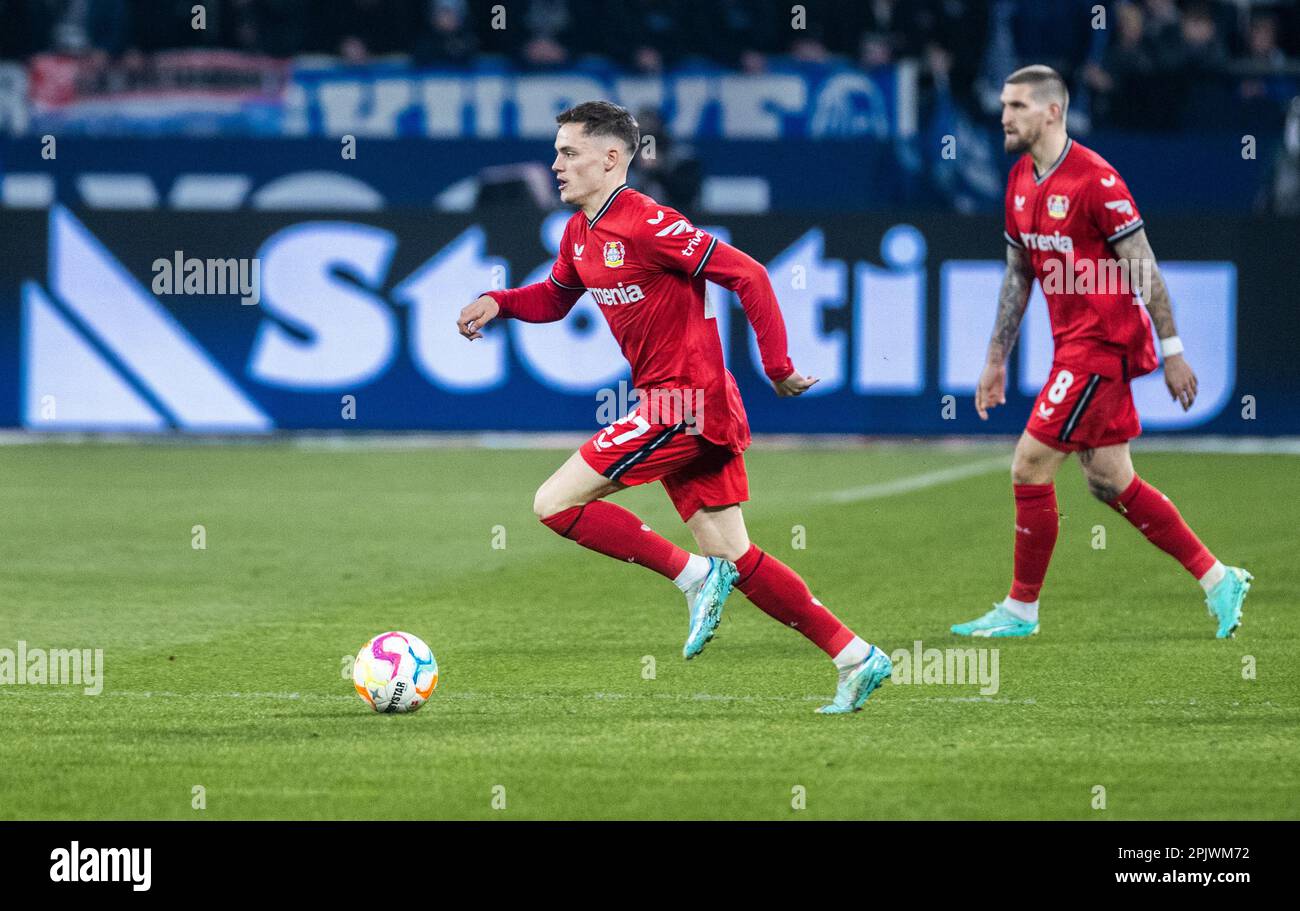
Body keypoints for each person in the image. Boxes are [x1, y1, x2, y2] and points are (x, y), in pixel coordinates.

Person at [456, 101, 891, 712]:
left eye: (567, 152)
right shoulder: (579, 232)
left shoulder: (648, 222)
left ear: (610, 159)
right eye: (556, 151)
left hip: (686, 402)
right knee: (737, 555)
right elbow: (555, 297)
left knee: (553, 503)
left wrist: (778, 367)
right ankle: (855, 657)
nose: (555, 165)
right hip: (676, 402)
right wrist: (498, 301)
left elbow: (750, 275)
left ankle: (692, 577)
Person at [953, 65, 1252, 639]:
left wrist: (1173, 349)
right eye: (1004, 105)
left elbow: (1144, 266)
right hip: (1074, 345)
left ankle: (1021, 609)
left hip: (1102, 345)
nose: (1004, 116)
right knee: (1109, 479)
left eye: (1016, 106)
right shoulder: (1019, 178)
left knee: (1028, 464)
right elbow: (1019, 276)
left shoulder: (1096, 180)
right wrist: (996, 358)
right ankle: (1219, 578)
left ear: (1052, 111)